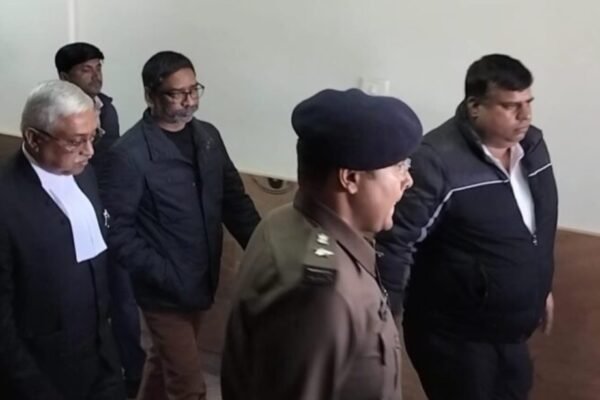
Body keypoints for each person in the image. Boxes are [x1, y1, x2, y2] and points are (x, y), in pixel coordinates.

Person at [376, 54, 558, 400]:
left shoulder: (533, 146)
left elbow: (537, 226)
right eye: (511, 106)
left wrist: (540, 285)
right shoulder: (436, 161)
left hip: (510, 331)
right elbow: (396, 243)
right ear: (475, 107)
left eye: (529, 102)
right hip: (455, 337)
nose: (526, 116)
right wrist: (384, 322)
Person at [221, 88, 422, 400]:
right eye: (398, 166)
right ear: (350, 178)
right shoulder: (325, 293)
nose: (407, 180)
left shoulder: (282, 221)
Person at [99, 51, 260, 400]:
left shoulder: (208, 138)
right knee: (189, 386)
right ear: (150, 95)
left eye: (193, 90)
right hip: (162, 289)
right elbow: (117, 231)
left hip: (201, 277)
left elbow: (234, 200)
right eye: (177, 94)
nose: (189, 101)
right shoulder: (129, 154)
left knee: (163, 364)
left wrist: (263, 247)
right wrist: (163, 273)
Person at [0, 80, 125, 399]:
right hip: (42, 374)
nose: (89, 151)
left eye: (93, 136)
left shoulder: (84, 174)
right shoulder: (6, 200)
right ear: (33, 138)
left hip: (100, 360)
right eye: (76, 141)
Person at [56, 42, 145, 397]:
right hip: (73, 217)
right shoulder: (54, 113)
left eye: (98, 67)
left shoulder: (106, 108)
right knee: (82, 298)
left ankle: (132, 371)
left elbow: (111, 163)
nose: (95, 76)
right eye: (85, 69)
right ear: (65, 76)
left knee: (122, 295)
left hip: (110, 213)